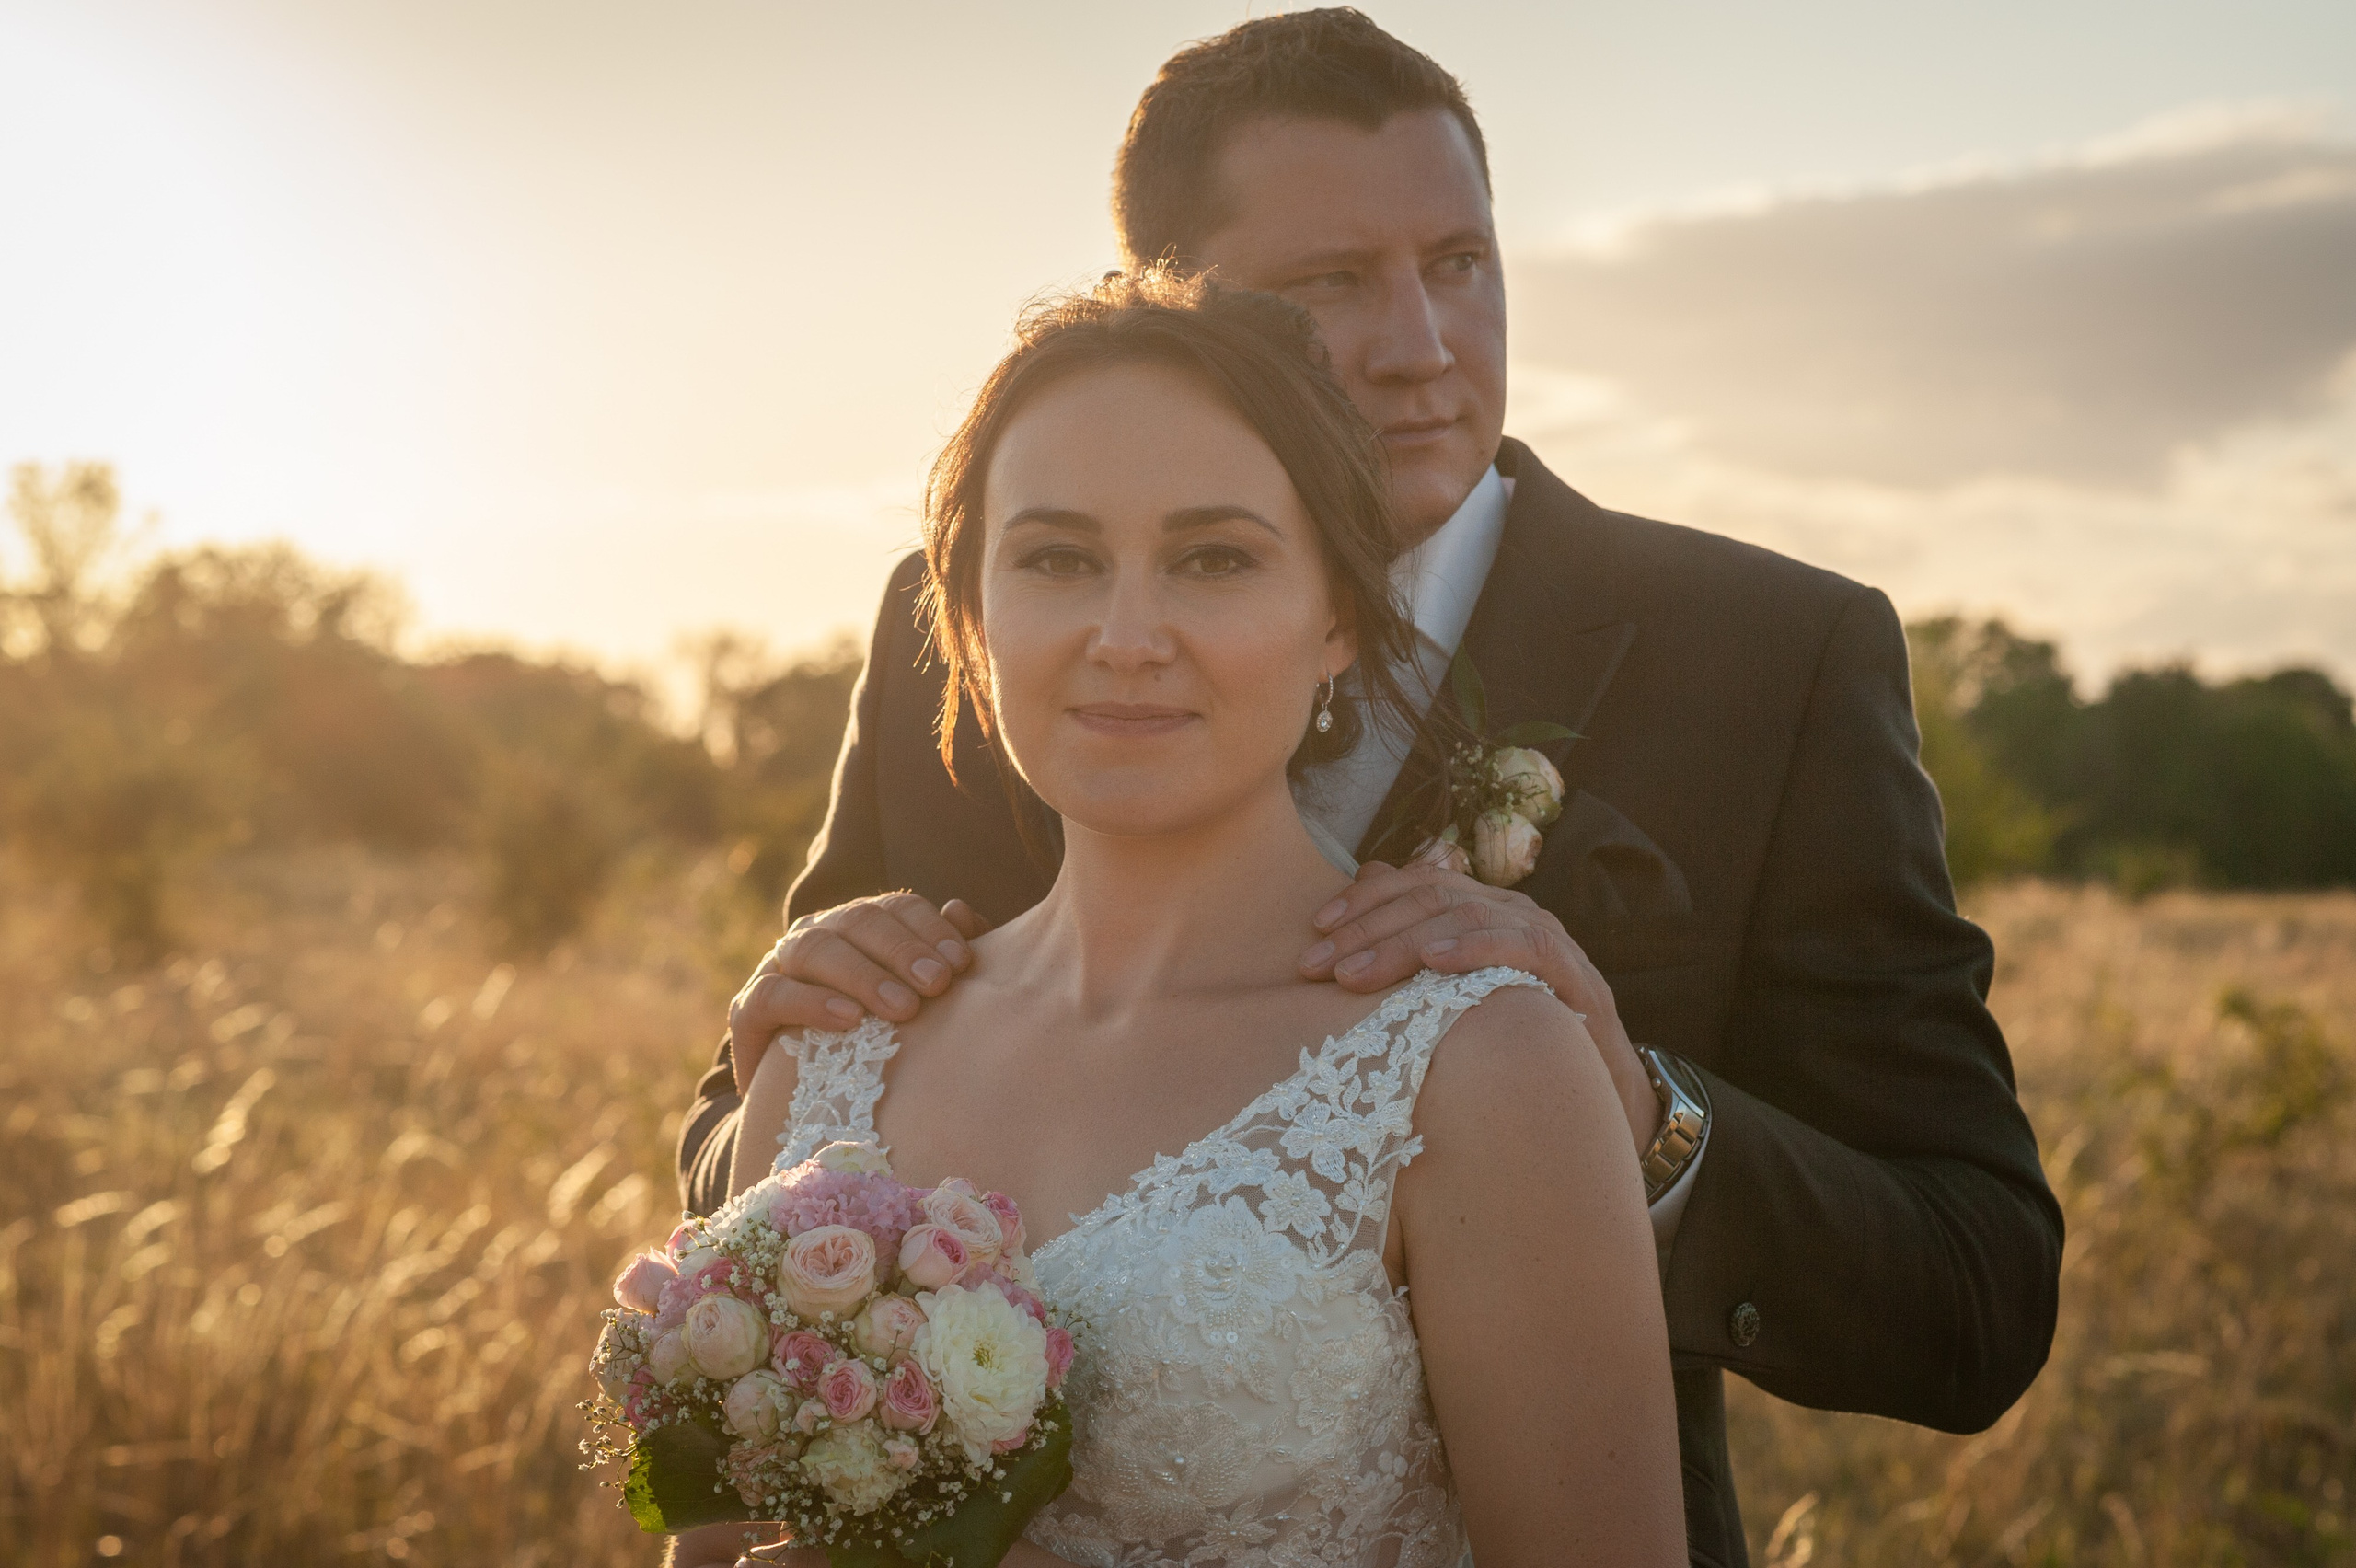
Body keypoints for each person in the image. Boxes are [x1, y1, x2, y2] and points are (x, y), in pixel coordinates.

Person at [682, 12, 2062, 1565]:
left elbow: (1978, 1290)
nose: (1421, 343)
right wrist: (762, 1062)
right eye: (1330, 283)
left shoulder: (1770, 656)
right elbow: (791, 1170)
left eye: (1460, 262)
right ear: (1171, 306)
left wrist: (1643, 1123)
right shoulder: (992, 612)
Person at [670, 273, 1686, 1568]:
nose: (1127, 633)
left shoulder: (1482, 1069)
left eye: (1213, 558)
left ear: (1336, 619)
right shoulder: (828, 1057)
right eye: (1057, 559)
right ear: (971, 621)